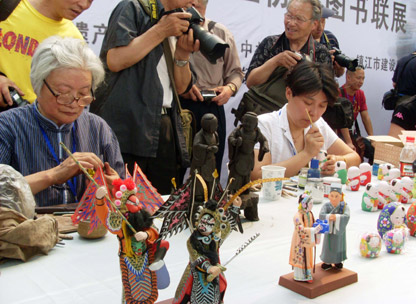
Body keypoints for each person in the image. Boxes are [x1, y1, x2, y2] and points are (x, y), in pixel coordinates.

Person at [0, 36, 125, 207]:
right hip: (26, 228)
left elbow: (124, 193)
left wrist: (115, 188)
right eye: (63, 93)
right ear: (38, 84)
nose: (74, 103)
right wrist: (53, 175)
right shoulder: (7, 126)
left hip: (87, 230)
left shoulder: (98, 128)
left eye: (83, 94)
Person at [92, 0, 199, 195]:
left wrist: (183, 54)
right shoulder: (134, 7)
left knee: (161, 203)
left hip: (165, 126)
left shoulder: (179, 21)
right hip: (127, 126)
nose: (196, 2)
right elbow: (115, 60)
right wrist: (161, 30)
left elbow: (182, 87)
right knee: (122, 203)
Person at [251, 61, 360, 180]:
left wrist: (337, 161)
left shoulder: (319, 125)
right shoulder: (264, 125)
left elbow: (355, 158)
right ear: (289, 93)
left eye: (322, 106)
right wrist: (307, 154)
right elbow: (257, 176)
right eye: (308, 103)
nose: (314, 113)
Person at [180, 0, 244, 175]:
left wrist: (230, 88)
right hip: (181, 107)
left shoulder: (220, 32)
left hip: (212, 108)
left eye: (198, 5)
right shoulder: (172, 31)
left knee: (209, 169)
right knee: (175, 169)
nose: (192, 8)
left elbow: (236, 73)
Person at [0, 0, 93, 108]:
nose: (84, 5)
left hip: (31, 118)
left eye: (90, 1)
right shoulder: (7, 8)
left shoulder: (74, 40)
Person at [245, 0, 331, 90]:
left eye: (299, 19)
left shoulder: (321, 53)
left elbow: (325, 95)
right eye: (289, 16)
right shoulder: (270, 43)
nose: (291, 23)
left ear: (314, 24)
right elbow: (250, 83)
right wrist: (275, 62)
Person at [173, 197, 242, 304]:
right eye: (203, 221)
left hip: (214, 275)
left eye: (209, 224)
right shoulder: (191, 241)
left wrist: (235, 208)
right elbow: (196, 257)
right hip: (198, 274)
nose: (204, 225)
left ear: (215, 227)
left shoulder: (215, 239)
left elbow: (227, 228)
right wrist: (209, 268)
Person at [339, 66, 375, 162]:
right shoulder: (339, 93)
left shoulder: (360, 94)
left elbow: (365, 117)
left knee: (374, 150)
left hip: (352, 134)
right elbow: (342, 122)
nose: (361, 81)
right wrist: (349, 143)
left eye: (363, 78)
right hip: (337, 135)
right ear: (348, 78)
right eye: (358, 78)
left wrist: (372, 139)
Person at [289, 193, 322, 282]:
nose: (312, 205)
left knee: (308, 256)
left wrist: (318, 227)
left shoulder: (310, 214)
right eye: (310, 203)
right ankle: (300, 276)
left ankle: (308, 274)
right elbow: (300, 229)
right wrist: (313, 230)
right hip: (299, 240)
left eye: (312, 203)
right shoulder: (297, 216)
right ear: (304, 204)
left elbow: (313, 224)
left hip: (308, 239)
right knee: (301, 256)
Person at [319, 183, 349, 270]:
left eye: (336, 196)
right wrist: (328, 217)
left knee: (339, 245)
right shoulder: (326, 206)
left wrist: (337, 217)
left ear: (341, 196)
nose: (334, 198)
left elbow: (347, 216)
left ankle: (338, 260)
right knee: (328, 245)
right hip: (329, 231)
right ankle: (327, 261)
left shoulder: (344, 206)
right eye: (332, 196)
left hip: (339, 231)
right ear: (328, 196)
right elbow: (321, 215)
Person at [311, 4, 345, 77]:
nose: (320, 27)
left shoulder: (331, 38)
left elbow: (338, 74)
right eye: (316, 22)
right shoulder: (298, 40)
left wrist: (339, 69)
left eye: (323, 21)